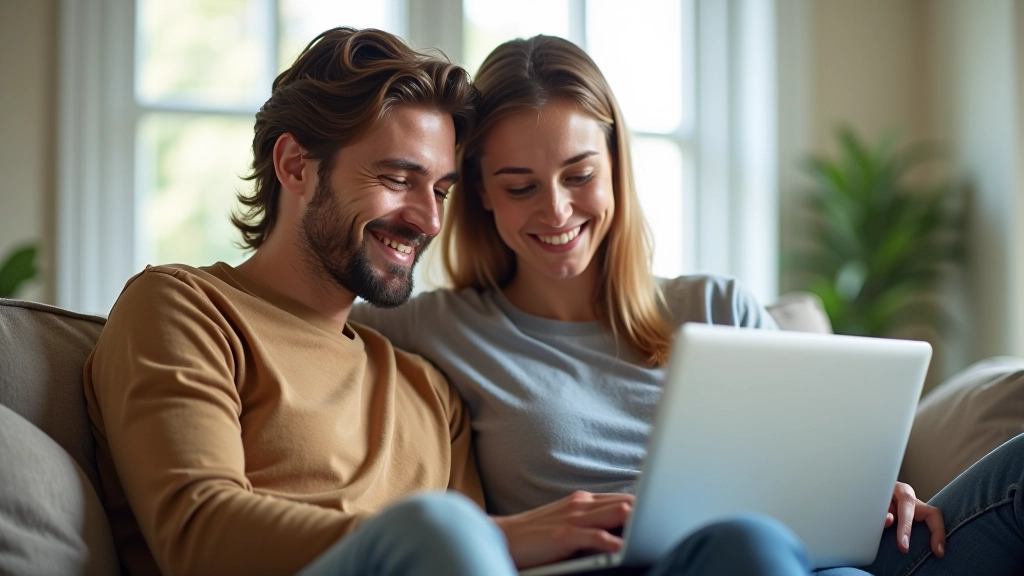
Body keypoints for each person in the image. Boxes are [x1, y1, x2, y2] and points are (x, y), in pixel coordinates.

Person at [84, 27, 812, 576]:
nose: (429, 222)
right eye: (400, 179)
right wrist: (486, 535)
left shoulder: (423, 381)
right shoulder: (186, 307)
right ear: (295, 165)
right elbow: (194, 529)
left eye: (439, 190)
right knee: (440, 529)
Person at [348, 35, 1024, 575]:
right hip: (674, 563)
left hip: (812, 560)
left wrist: (873, 490)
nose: (556, 210)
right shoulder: (434, 325)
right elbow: (299, 319)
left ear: (616, 167)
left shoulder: (714, 304)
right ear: (481, 193)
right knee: (746, 544)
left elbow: (813, 460)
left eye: (579, 175)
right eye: (519, 186)